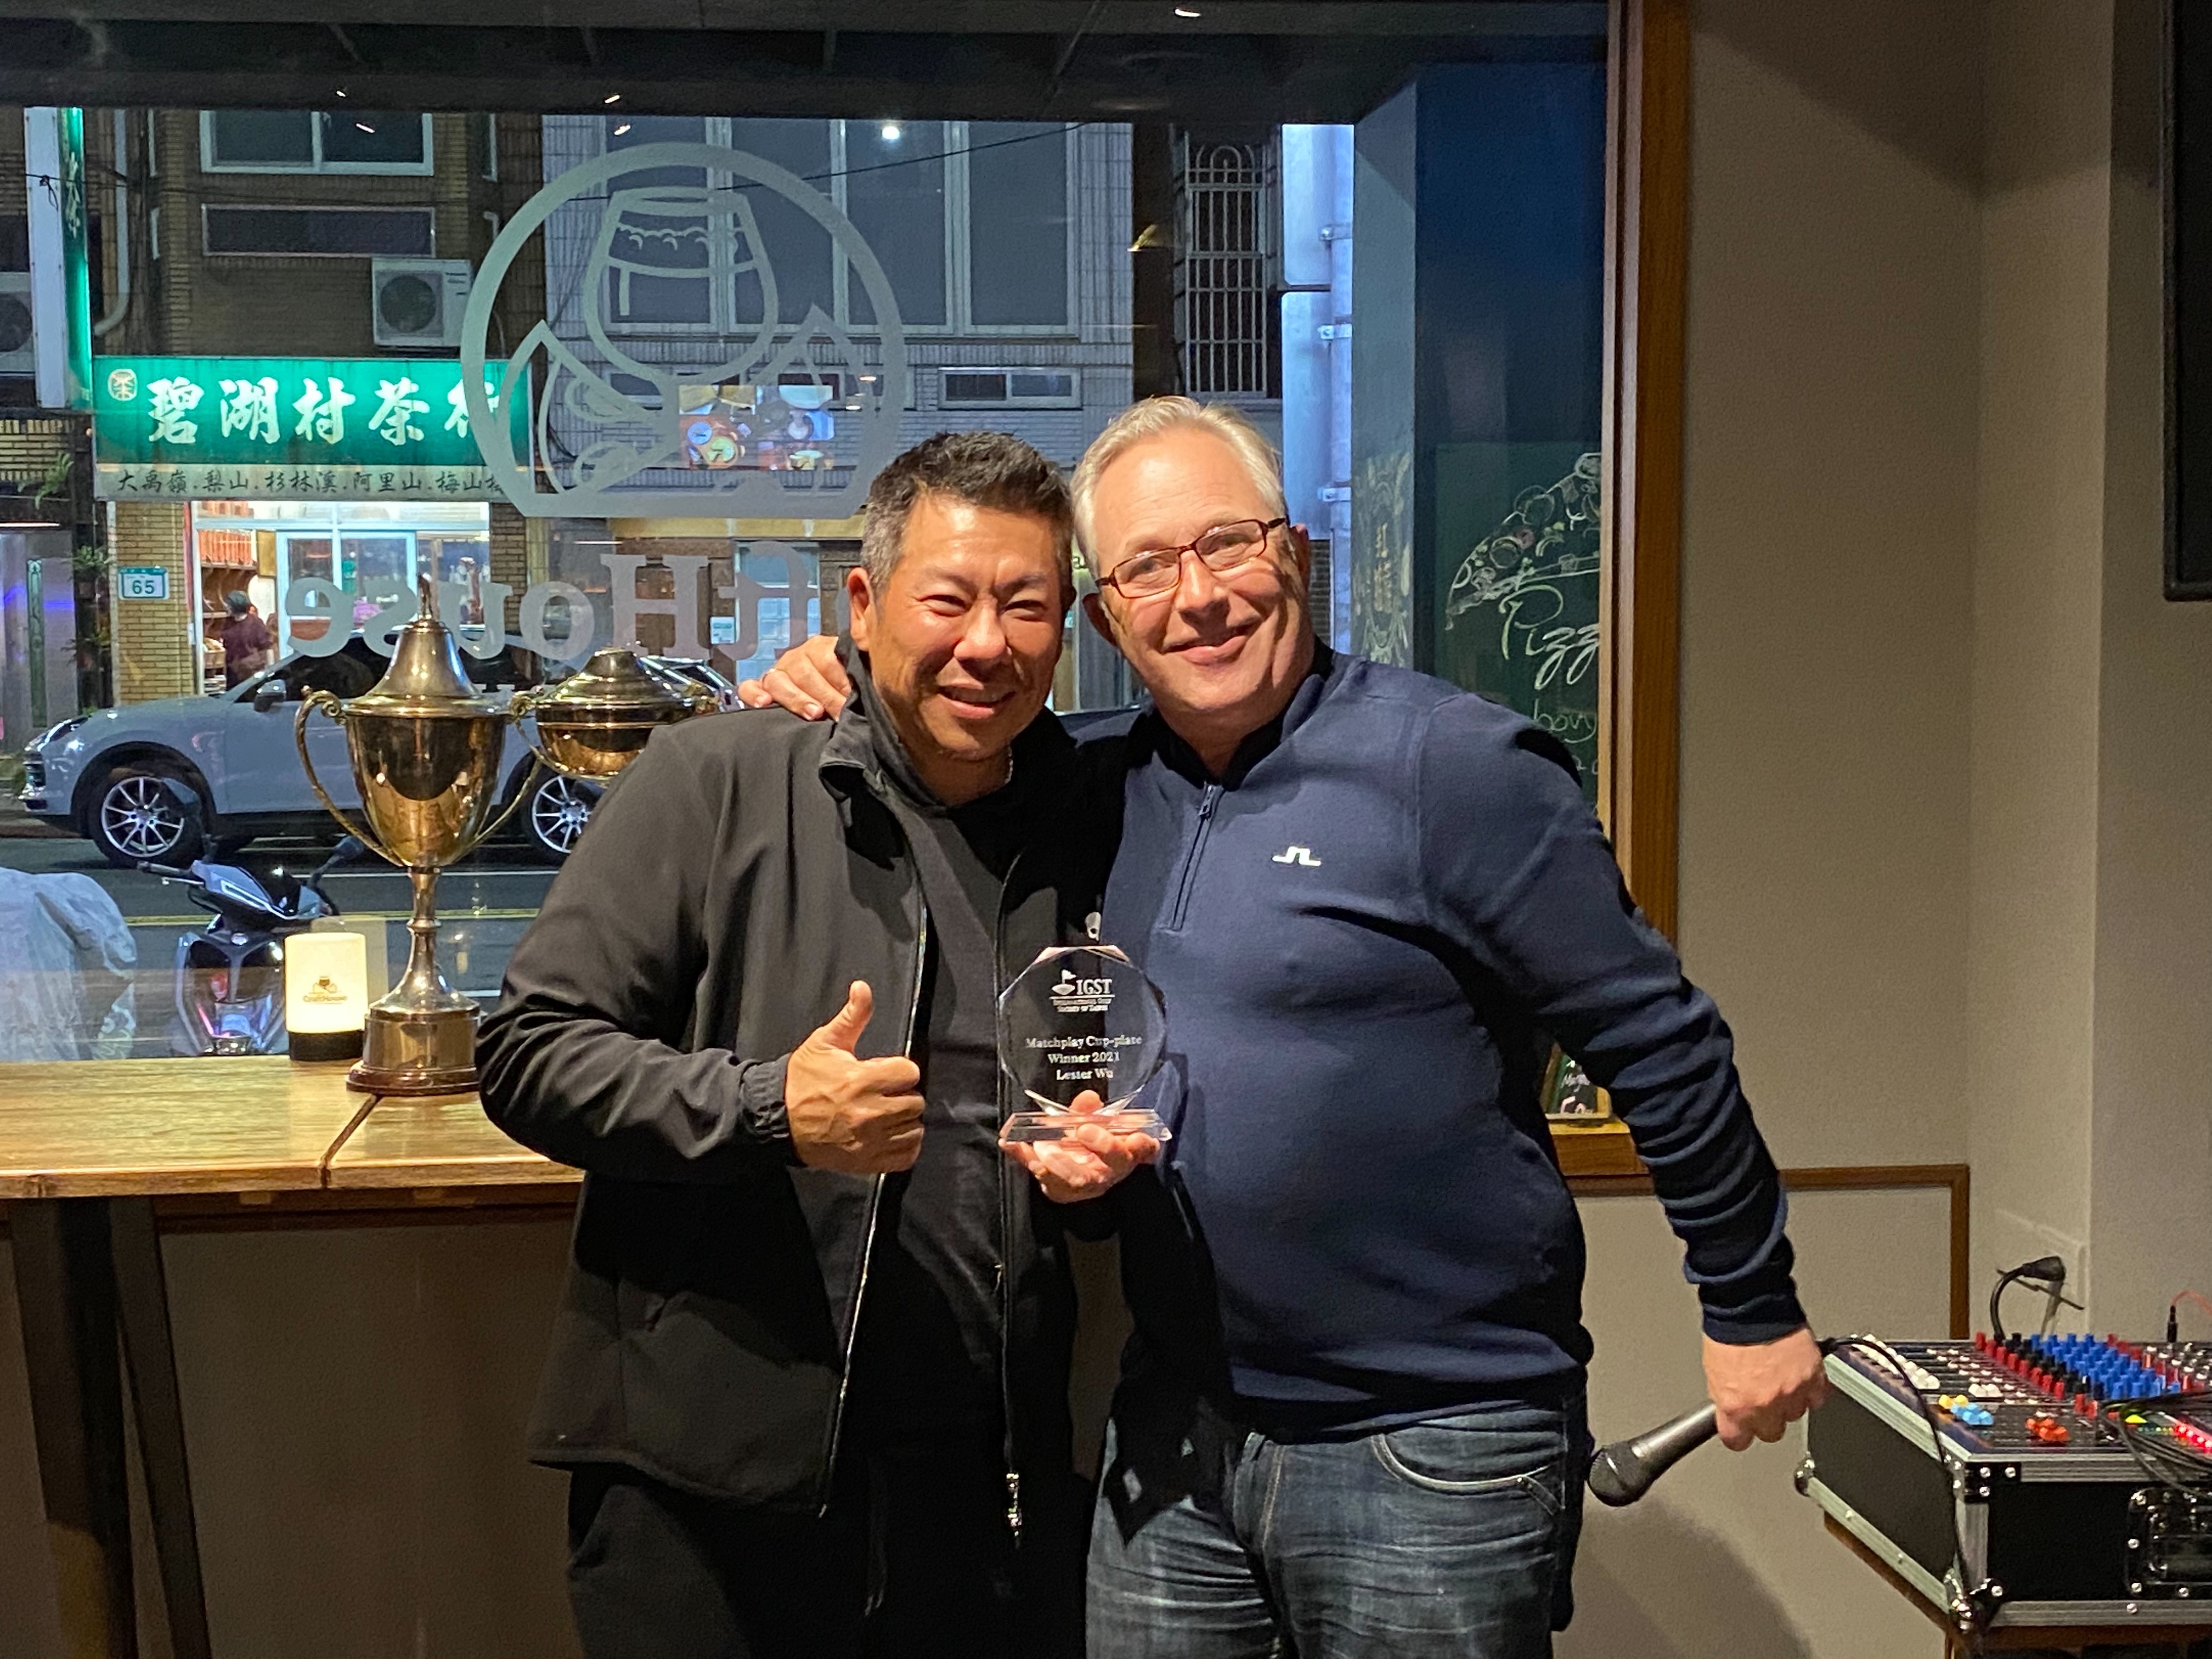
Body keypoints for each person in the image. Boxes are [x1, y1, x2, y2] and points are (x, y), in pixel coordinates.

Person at [742, 398, 1827, 1659]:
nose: (1197, 597)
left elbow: (1662, 1044)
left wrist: (1751, 1305)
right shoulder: (1094, 780)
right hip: (1177, 1432)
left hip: (1431, 1443)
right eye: (1148, 568)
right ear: (1107, 619)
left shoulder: (1457, 769)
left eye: (1228, 545)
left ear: (1295, 554)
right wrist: (839, 683)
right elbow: (943, 732)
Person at [476, 431, 1153, 1659]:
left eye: (1027, 605)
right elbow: (527, 1049)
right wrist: (769, 1109)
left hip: (986, 1481)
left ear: (1069, 626)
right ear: (864, 603)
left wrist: (1097, 1172)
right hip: (712, 1486)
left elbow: (1099, 1082)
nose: (986, 643)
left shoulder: (1090, 814)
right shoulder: (716, 778)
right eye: (947, 599)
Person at [216, 590, 273, 688]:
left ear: (236, 606)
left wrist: (270, 670)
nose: (226, 607)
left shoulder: (256, 624)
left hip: (252, 673)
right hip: (232, 673)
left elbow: (266, 647)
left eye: (229, 605)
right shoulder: (227, 623)